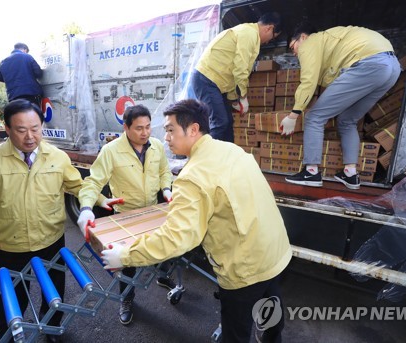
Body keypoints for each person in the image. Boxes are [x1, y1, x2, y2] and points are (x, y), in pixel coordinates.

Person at [101, 99, 292, 342]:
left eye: (170, 129)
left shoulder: (192, 177)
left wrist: (125, 255)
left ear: (193, 129)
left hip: (244, 268)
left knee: (236, 333)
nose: (166, 137)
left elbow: (176, 238)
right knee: (271, 320)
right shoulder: (232, 150)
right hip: (274, 253)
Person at [0, 99, 101, 343]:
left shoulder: (56, 156)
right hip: (11, 244)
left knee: (55, 289)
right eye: (21, 130)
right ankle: (7, 336)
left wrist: (99, 201)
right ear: (6, 129)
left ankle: (52, 328)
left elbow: (78, 186)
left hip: (51, 238)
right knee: (12, 297)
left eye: (35, 128)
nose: (30, 136)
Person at [76, 104, 174, 326]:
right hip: (126, 215)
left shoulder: (156, 146)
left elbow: (164, 171)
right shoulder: (111, 151)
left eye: (148, 127)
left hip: (152, 210)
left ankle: (164, 276)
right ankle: (127, 298)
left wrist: (166, 188)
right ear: (125, 127)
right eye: (139, 128)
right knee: (126, 262)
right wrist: (86, 208)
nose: (145, 132)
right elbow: (93, 182)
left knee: (163, 247)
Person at [282, 22, 401, 189]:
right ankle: (350, 174)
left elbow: (308, 81)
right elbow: (332, 80)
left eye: (292, 47)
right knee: (347, 120)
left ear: (302, 37)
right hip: (392, 68)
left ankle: (311, 172)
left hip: (368, 65)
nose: (294, 53)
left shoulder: (310, 42)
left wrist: (293, 114)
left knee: (314, 117)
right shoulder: (331, 43)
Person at [190, 12, 282, 142]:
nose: (268, 41)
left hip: (217, 83)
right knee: (220, 122)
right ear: (269, 28)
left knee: (227, 124)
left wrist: (234, 101)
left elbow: (233, 76)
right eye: (272, 37)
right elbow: (240, 70)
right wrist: (243, 97)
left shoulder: (249, 34)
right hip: (206, 79)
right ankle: (207, 159)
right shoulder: (249, 34)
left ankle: (228, 159)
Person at [0, 43, 43, 107]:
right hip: (31, 94)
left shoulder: (3, 62)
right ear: (25, 49)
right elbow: (38, 73)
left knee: (19, 116)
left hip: (13, 97)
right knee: (33, 115)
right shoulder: (27, 56)